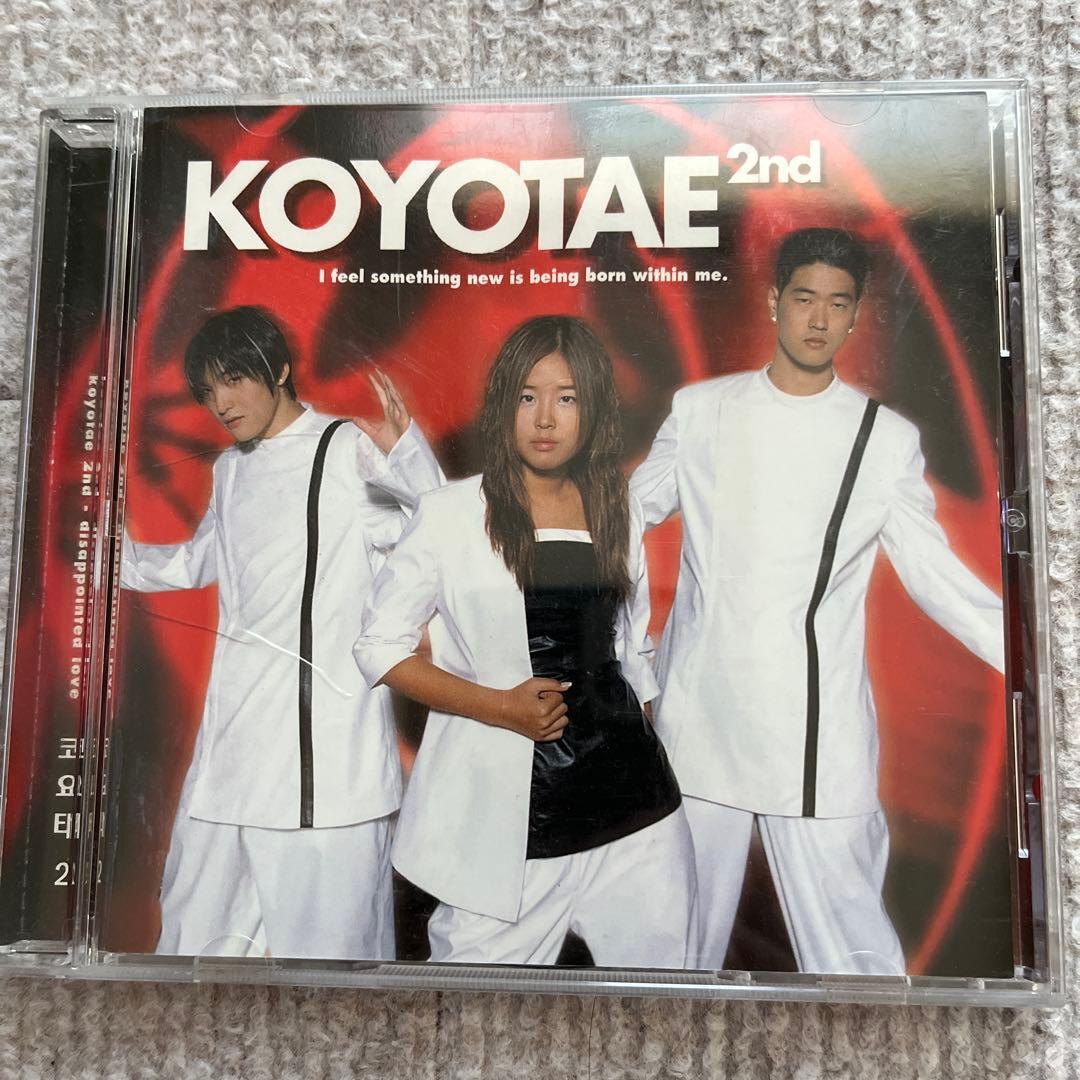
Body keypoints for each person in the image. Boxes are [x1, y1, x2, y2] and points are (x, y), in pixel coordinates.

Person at [630, 228, 1006, 975]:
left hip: (816, 732)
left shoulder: (883, 439)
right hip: (699, 720)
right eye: (805, 298)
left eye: (838, 303)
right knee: (669, 946)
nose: (819, 319)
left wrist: (1039, 664)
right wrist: (634, 658)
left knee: (854, 953)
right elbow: (618, 523)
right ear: (775, 301)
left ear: (857, 315)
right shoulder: (701, 411)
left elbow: (936, 576)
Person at [354, 315, 696, 967]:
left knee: (659, 1006)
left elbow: (632, 650)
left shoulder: (618, 508)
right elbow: (379, 647)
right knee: (470, 1009)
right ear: (503, 405)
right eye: (527, 397)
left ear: (592, 409)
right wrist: (500, 707)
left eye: (566, 398)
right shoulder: (450, 514)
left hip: (637, 819)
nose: (544, 418)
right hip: (503, 827)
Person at [121, 305, 444, 960]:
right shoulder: (230, 468)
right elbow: (199, 560)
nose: (221, 403)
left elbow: (441, 529)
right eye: (209, 390)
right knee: (191, 940)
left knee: (334, 959)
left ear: (280, 370)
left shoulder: (344, 448)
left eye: (234, 380)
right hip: (232, 749)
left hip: (326, 764)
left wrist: (408, 455)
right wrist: (106, 553)